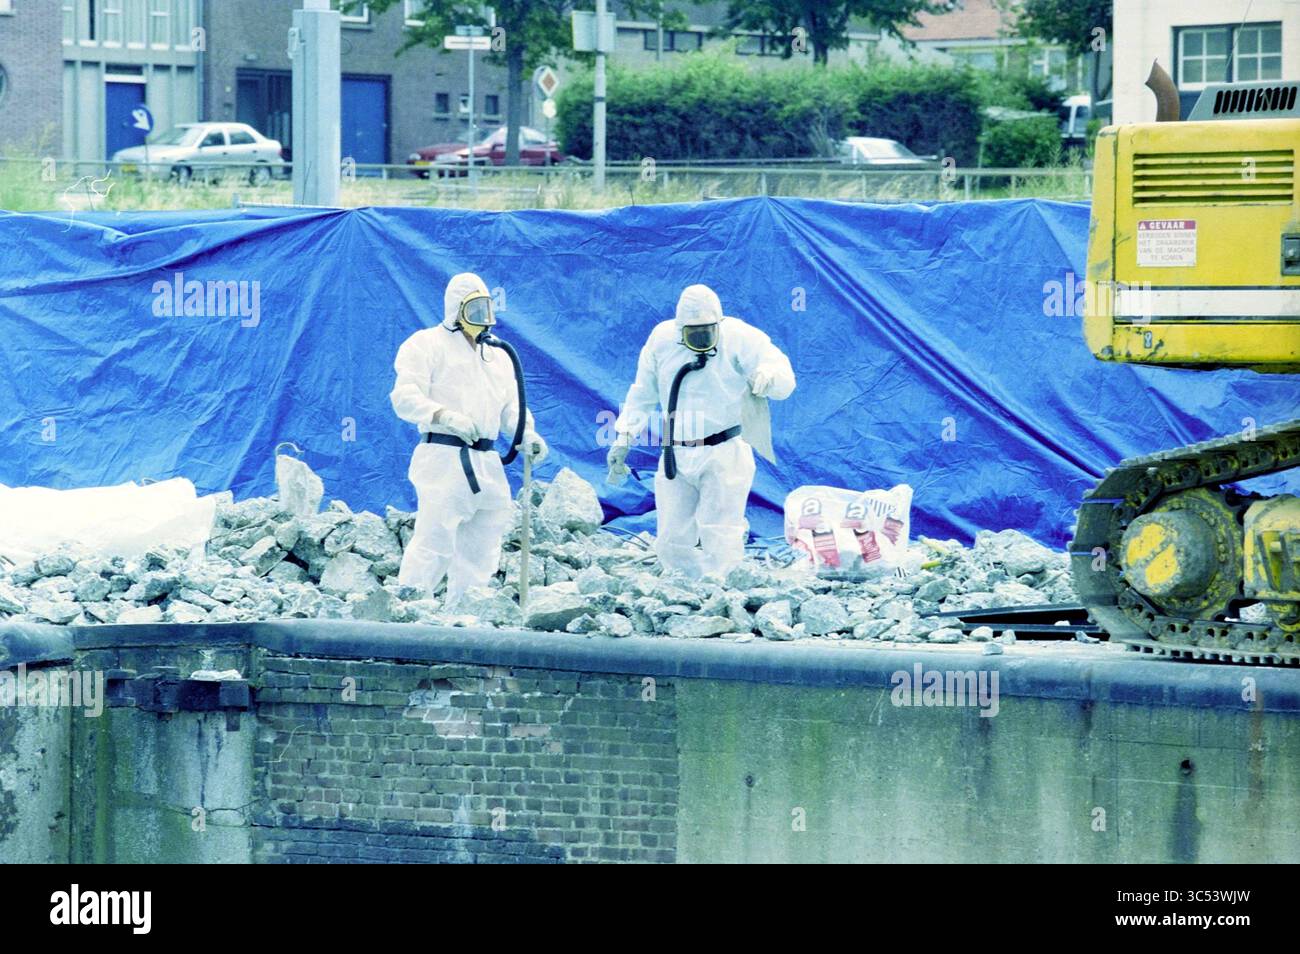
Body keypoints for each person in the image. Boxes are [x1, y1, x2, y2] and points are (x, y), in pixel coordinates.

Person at [606, 284, 795, 579]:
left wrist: (768, 377)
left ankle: (721, 591)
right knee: (671, 534)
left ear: (719, 324)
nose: (700, 340)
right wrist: (624, 438)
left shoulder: (739, 337)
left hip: (724, 450)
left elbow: (781, 371)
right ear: (679, 330)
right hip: (677, 452)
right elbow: (642, 393)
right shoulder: (662, 341)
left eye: (707, 331)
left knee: (720, 529)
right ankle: (681, 592)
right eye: (692, 333)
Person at [390, 272, 547, 603]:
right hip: (444, 457)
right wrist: (443, 416)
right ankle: (411, 611)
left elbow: (511, 408)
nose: (483, 319)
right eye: (474, 310)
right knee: (435, 539)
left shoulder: (498, 357)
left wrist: (526, 432)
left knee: (483, 543)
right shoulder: (425, 344)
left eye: (486, 309)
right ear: (455, 310)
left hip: (488, 462)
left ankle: (467, 612)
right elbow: (404, 396)